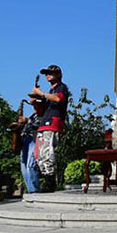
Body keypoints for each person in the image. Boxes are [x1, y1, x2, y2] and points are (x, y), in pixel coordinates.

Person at [31, 64, 69, 193]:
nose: (47, 75)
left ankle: (50, 182)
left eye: (50, 73)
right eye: (46, 73)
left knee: (47, 153)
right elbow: (40, 112)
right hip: (44, 123)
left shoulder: (61, 87)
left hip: (53, 123)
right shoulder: (50, 92)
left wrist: (41, 93)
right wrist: (35, 103)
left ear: (58, 75)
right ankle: (47, 178)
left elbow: (58, 99)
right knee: (39, 155)